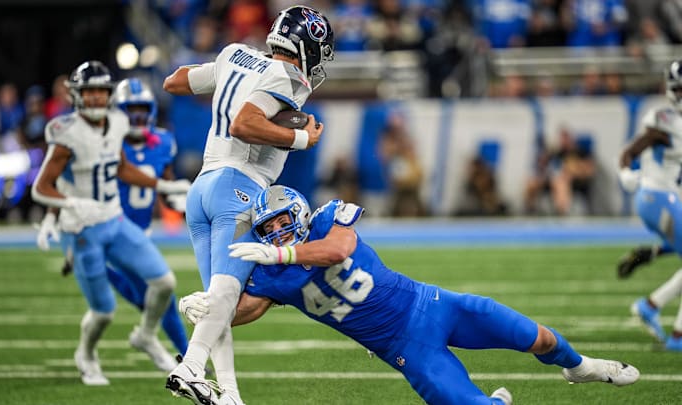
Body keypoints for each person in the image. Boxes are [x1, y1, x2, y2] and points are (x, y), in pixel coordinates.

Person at [180, 185, 640, 404]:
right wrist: (209, 310)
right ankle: (496, 401)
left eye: (283, 222)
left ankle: (581, 368)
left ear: (299, 214)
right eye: (271, 229)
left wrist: (280, 256)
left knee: (537, 338)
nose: (277, 233)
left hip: (435, 305)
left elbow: (339, 248)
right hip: (404, 348)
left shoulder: (324, 223)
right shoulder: (269, 275)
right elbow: (248, 309)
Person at [161, 5, 334, 405]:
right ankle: (190, 367)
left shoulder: (234, 53)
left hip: (202, 188)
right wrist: (301, 139)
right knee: (225, 295)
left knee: (220, 301)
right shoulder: (286, 76)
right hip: (237, 188)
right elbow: (244, 123)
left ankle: (229, 394)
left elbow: (175, 81)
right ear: (305, 46)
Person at [31, 61, 191, 385]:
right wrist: (64, 208)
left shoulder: (117, 122)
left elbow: (120, 169)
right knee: (104, 312)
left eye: (100, 92)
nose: (94, 99)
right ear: (77, 96)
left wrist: (163, 186)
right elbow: (42, 186)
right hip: (82, 229)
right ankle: (86, 355)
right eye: (88, 93)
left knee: (165, 283)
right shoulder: (66, 133)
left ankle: (146, 336)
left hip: (114, 219)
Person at [617, 59, 682, 350]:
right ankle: (675, 333)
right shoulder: (665, 121)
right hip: (657, 197)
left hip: (663, 199)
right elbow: (632, 150)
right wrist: (626, 173)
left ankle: (651, 306)